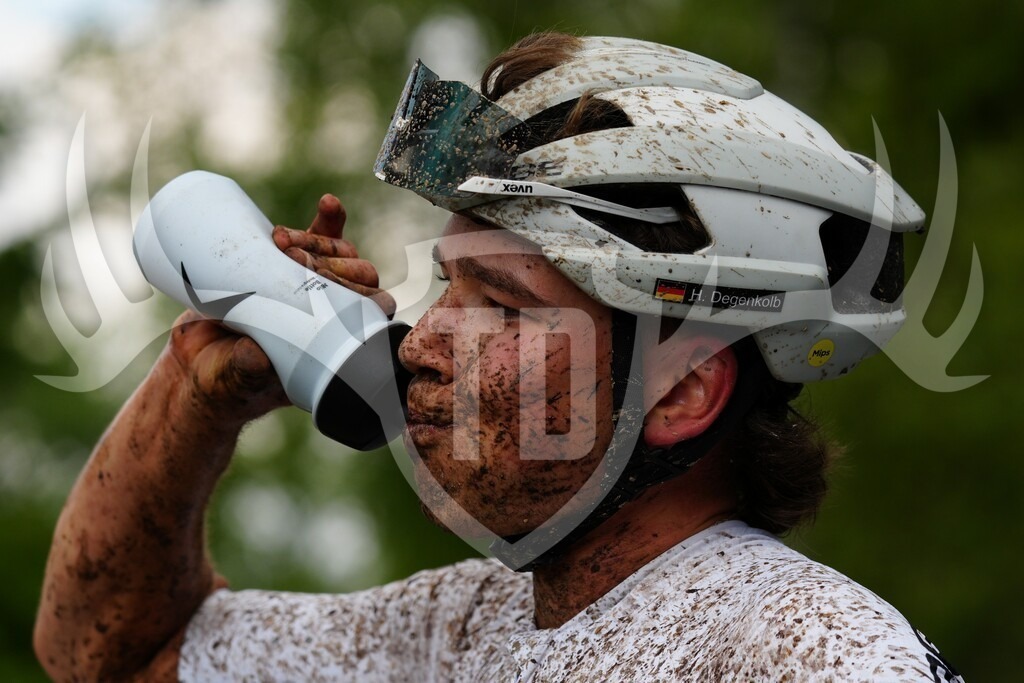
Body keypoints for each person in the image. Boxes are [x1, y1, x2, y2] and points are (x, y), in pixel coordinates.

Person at [34, 32, 964, 681]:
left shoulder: (808, 652)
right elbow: (107, 653)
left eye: (503, 307)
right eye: (446, 286)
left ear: (682, 391)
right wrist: (201, 391)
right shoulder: (456, 626)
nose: (425, 337)